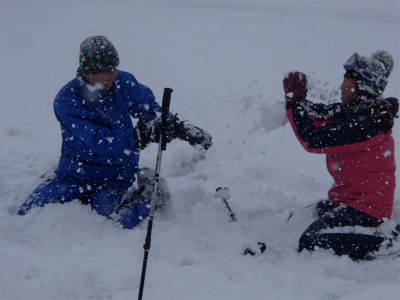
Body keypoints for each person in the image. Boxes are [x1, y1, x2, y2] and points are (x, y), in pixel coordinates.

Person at [18, 36, 212, 229]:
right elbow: (98, 141)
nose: (114, 75)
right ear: (89, 71)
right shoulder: (67, 100)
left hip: (115, 172)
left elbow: (150, 109)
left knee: (111, 222)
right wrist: (140, 135)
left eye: (115, 68)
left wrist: (176, 127)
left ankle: (150, 194)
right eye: (107, 70)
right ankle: (53, 176)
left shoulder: (123, 83)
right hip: (74, 173)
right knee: (30, 212)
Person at [284, 51, 399, 260]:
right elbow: (320, 115)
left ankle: (386, 241)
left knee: (311, 241)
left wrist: (294, 104)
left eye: (347, 82)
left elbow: (312, 140)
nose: (341, 87)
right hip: (349, 201)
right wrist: (299, 102)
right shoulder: (358, 112)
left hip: (368, 209)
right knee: (305, 214)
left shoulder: (365, 124)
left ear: (361, 88)